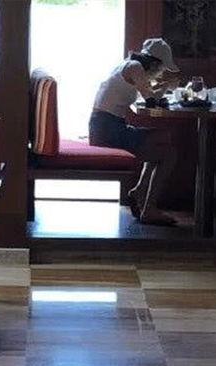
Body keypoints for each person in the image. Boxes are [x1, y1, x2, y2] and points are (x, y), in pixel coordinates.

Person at [89, 38, 180, 226]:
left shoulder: (129, 65)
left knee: (164, 137)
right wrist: (165, 86)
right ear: (154, 64)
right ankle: (149, 208)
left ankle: (139, 192)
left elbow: (148, 96)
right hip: (108, 129)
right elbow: (151, 102)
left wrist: (162, 87)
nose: (161, 72)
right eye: (162, 68)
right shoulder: (136, 68)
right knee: (169, 154)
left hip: (105, 125)